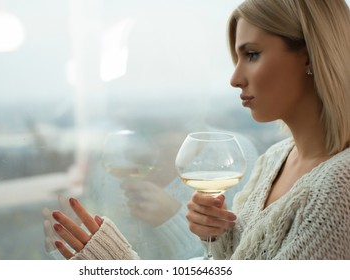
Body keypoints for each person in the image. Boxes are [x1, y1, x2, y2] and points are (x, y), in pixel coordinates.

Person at [49, 0, 350, 260]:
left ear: (310, 54)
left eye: (252, 55)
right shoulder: (274, 160)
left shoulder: (336, 190)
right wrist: (217, 237)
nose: (235, 78)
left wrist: (117, 264)